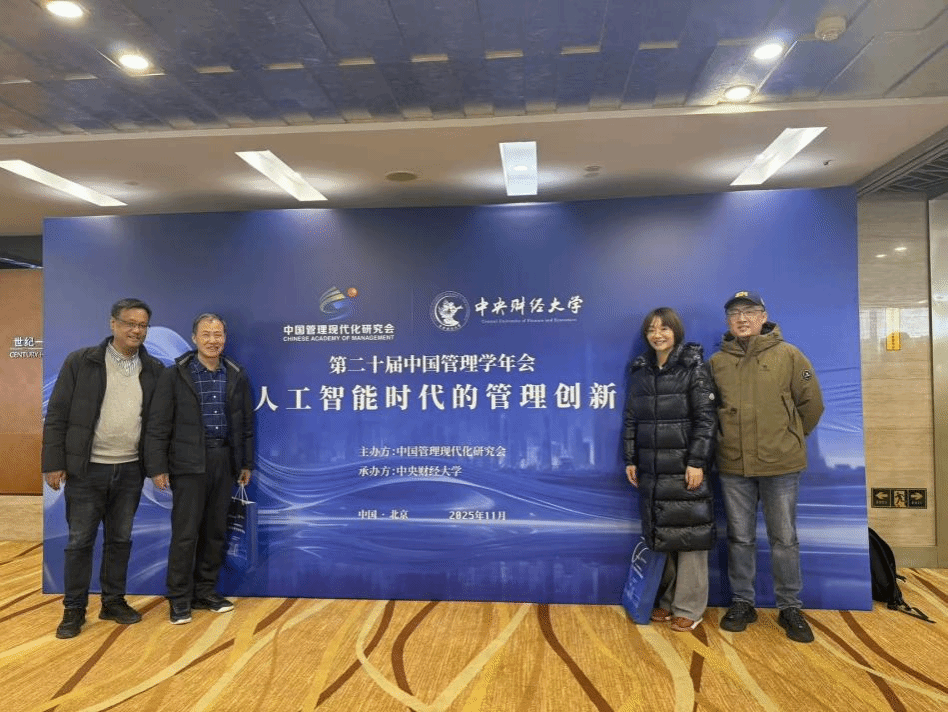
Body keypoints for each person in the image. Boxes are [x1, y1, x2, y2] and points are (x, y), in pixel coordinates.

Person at [42, 298, 164, 639]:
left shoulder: (154, 369)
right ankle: (74, 610)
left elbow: (157, 424)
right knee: (79, 542)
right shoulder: (81, 362)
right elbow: (57, 414)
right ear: (113, 324)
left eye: (142, 325)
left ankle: (113, 602)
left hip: (130, 471)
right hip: (86, 471)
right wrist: (53, 463)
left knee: (120, 540)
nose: (136, 330)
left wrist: (156, 466)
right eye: (130, 323)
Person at [710, 291, 824, 643]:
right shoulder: (717, 363)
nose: (742, 318)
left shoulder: (789, 355)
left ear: (763, 316)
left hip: (781, 465)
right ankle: (743, 602)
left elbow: (812, 404)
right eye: (735, 313)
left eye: (749, 311)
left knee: (784, 538)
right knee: (739, 537)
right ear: (728, 321)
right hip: (734, 465)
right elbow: (707, 413)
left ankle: (790, 607)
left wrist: (790, 437)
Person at [145, 313, 254, 624]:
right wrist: (157, 467)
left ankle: (205, 591)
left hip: (224, 460)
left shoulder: (235, 374)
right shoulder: (174, 375)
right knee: (186, 534)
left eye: (218, 334)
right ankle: (179, 598)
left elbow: (246, 424)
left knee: (215, 531)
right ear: (194, 338)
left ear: (225, 338)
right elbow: (157, 425)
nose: (212, 340)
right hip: (187, 463)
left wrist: (245, 462)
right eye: (206, 334)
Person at [622, 307, 718, 632]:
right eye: (652, 329)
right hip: (652, 468)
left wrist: (697, 461)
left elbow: (706, 420)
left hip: (684, 467)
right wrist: (630, 458)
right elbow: (631, 419)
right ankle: (665, 599)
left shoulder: (693, 367)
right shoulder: (641, 371)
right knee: (663, 535)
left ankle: (689, 606)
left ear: (676, 332)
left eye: (664, 328)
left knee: (690, 535)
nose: (657, 334)